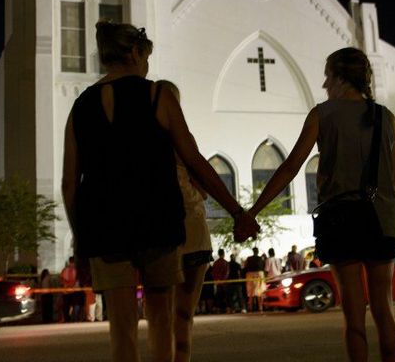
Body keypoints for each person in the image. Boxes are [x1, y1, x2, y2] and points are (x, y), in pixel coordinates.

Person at [61, 21, 259, 362]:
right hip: (157, 222)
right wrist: (236, 211)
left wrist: (81, 243)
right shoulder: (158, 96)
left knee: (121, 329)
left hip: (106, 229)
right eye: (146, 57)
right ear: (135, 53)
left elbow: (69, 183)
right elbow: (195, 161)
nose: (147, 66)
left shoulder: (81, 106)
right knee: (161, 320)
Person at [247, 47, 395, 361]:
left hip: (342, 220)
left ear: (340, 77)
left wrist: (253, 211)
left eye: (327, 77)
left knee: (354, 316)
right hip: (382, 220)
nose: (324, 85)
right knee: (384, 310)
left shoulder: (323, 114)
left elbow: (291, 167)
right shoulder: (386, 117)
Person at [156, 79, 214, 361]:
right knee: (184, 316)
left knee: (162, 316)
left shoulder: (142, 140)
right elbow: (203, 187)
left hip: (160, 232)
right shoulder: (184, 139)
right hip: (192, 229)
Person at [243, 247, 265, 313]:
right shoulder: (260, 258)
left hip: (250, 275)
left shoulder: (249, 258)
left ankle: (250, 307)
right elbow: (263, 267)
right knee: (260, 292)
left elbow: (245, 266)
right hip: (259, 274)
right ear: (257, 252)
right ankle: (260, 307)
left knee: (250, 292)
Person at [60, 256, 80, 322]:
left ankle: (67, 319)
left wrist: (67, 284)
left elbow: (61, 280)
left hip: (66, 291)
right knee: (76, 305)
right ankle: (75, 318)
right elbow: (78, 280)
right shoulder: (76, 270)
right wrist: (72, 285)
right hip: (75, 291)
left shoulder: (64, 270)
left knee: (66, 306)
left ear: (69, 261)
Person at [211, 249, 229, 313]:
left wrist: (216, 280)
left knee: (218, 296)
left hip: (217, 282)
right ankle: (225, 309)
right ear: (223, 254)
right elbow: (227, 273)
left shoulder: (215, 263)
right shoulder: (225, 262)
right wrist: (223, 280)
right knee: (225, 296)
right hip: (224, 282)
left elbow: (213, 273)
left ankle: (218, 309)